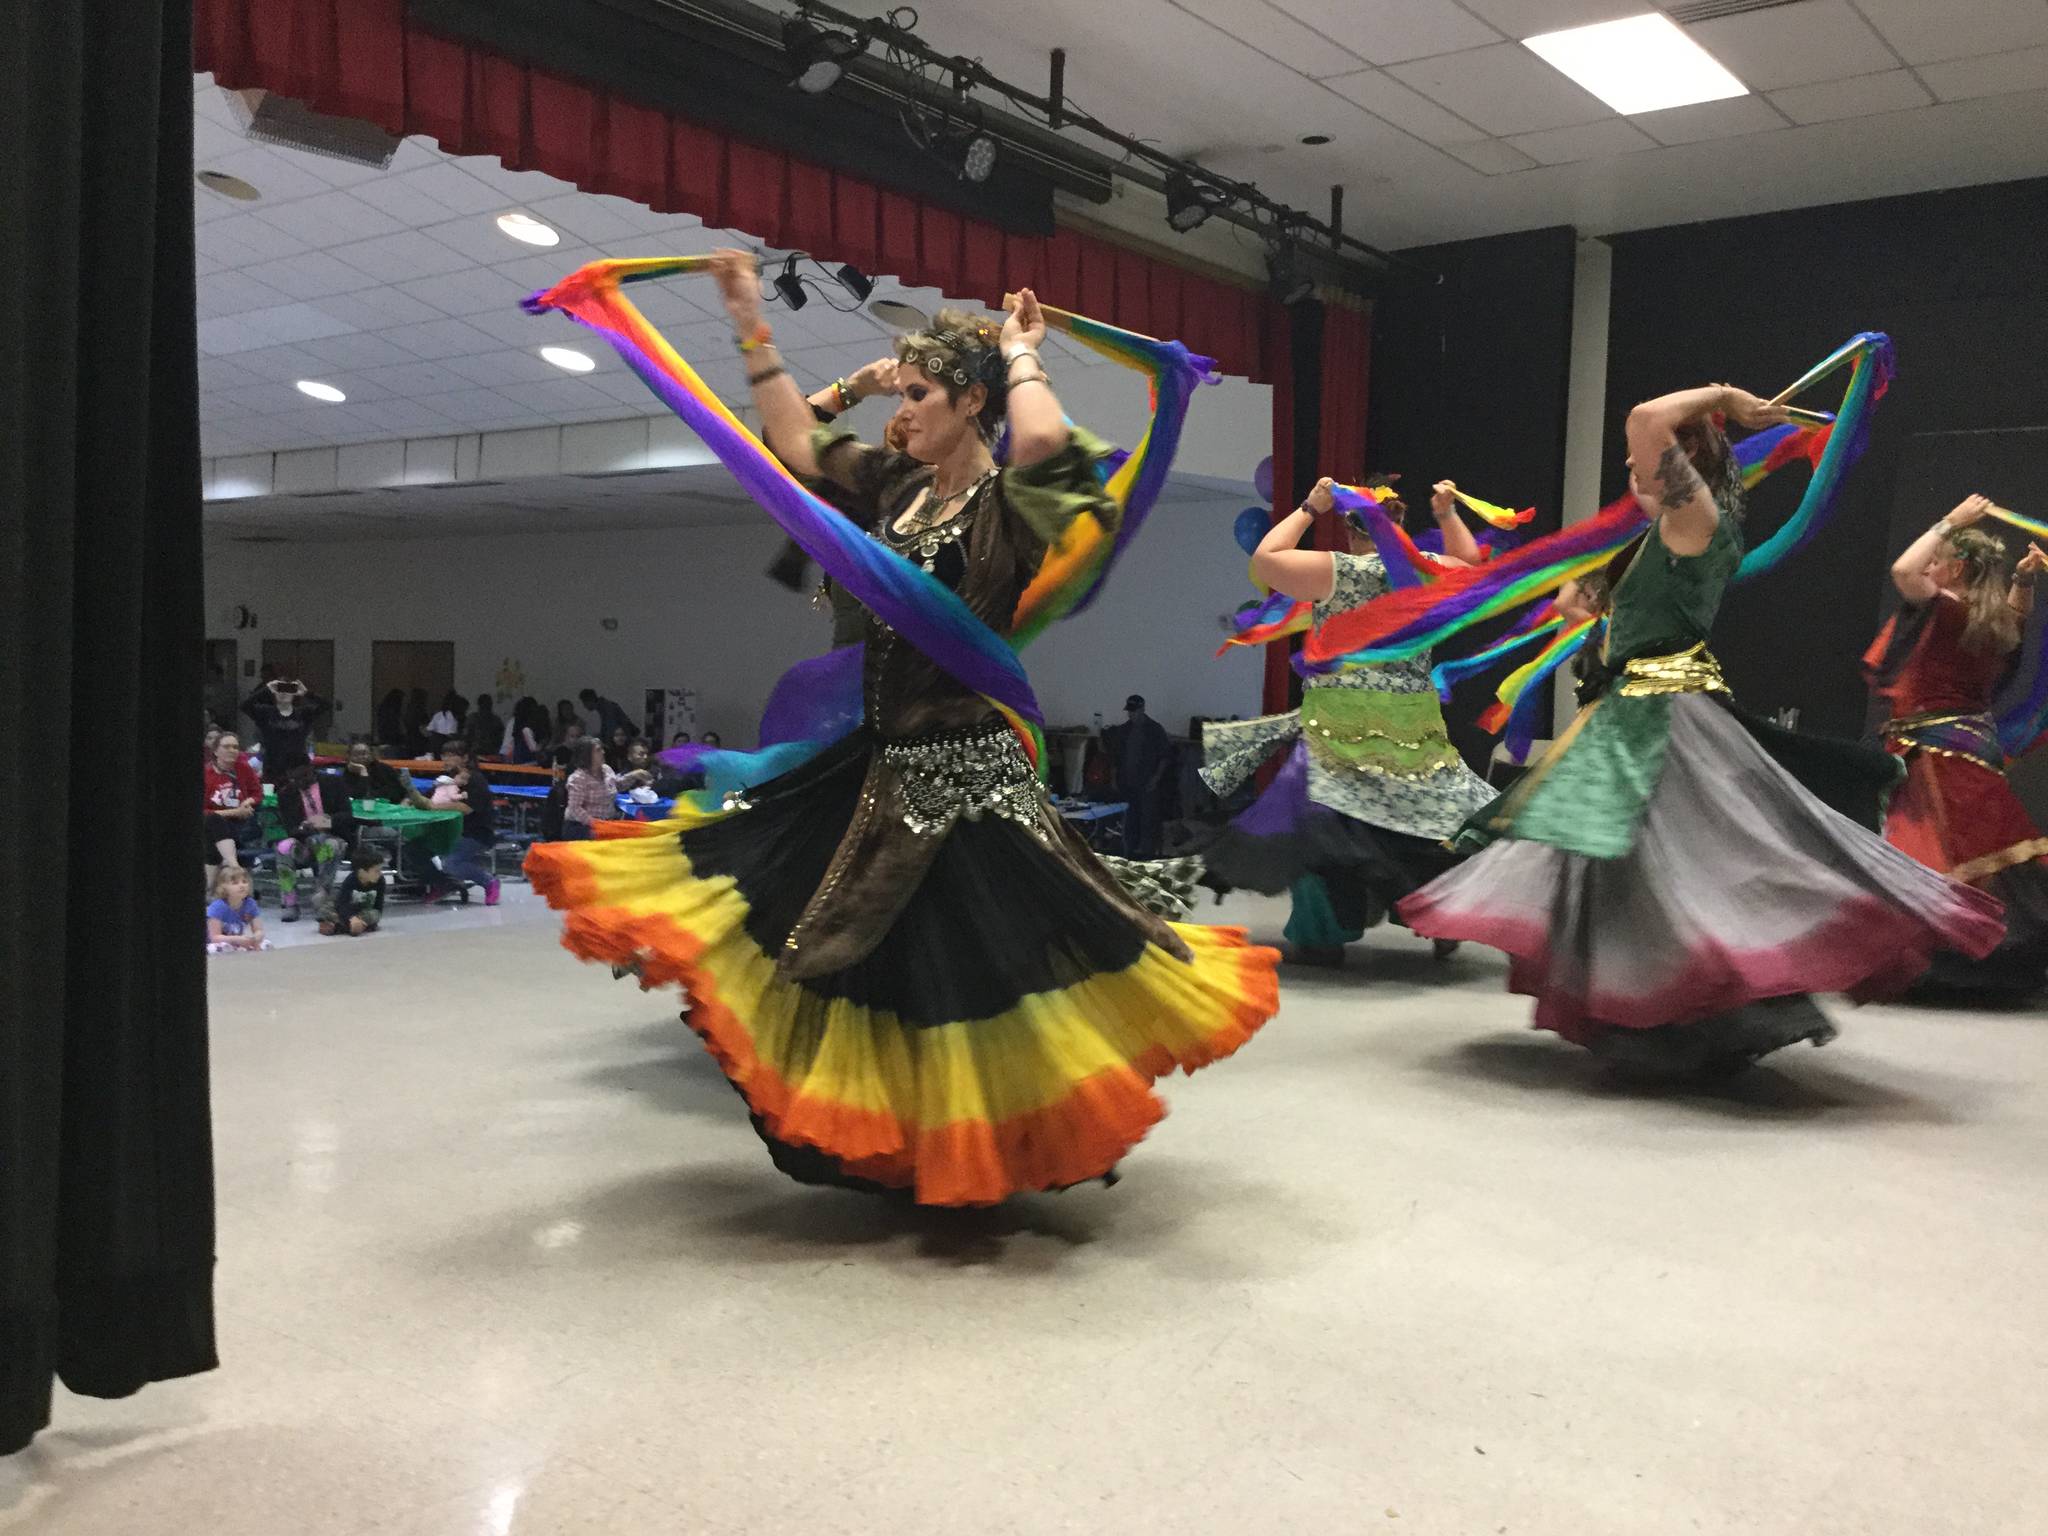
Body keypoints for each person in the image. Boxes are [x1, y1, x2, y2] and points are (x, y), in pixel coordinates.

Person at [528, 249, 1278, 1206]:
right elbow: (794, 447)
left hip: (970, 780)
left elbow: (1044, 442)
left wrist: (1018, 352)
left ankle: (976, 1152)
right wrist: (755, 321)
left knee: (966, 975)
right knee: (847, 959)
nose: (904, 408)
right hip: (878, 765)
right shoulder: (895, 487)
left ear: (972, 402)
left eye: (923, 393)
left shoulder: (1015, 501)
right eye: (904, 392)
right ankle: (899, 1150)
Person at [1398, 381, 2005, 1074]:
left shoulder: (1697, 519)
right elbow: (1583, 604)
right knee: (1633, 867)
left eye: (1642, 464)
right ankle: (1651, 1014)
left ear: (1682, 464)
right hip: (1638, 708)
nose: (1632, 469)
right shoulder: (1665, 532)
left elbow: (1644, 417)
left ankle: (1700, 1011)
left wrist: (1723, 397)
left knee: (1679, 866)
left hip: (1664, 716)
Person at [1201, 477, 1495, 966]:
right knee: (1425, 825)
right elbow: (1474, 570)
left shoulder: (1334, 571)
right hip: (1411, 728)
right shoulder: (1429, 572)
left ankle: (1323, 934)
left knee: (1321, 829)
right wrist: (1446, 514)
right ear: (1400, 524)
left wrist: (1308, 507)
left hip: (1341, 725)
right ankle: (1441, 919)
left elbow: (1266, 559)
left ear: (1350, 529)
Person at [1864, 495, 2048, 998]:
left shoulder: (1947, 610)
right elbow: (2016, 609)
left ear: (1957, 567)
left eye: (1937, 560)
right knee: (1982, 863)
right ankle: (1986, 970)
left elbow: (1903, 570)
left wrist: (1950, 521)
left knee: (1930, 859)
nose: (1928, 564)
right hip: (1973, 754)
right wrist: (2025, 578)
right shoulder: (2000, 621)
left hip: (1936, 758)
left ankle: (1932, 969)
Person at [273, 760, 357, 923]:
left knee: (329, 845)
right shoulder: (286, 793)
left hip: (333, 837)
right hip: (304, 842)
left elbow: (348, 816)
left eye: (303, 775)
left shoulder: (333, 783)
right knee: (283, 847)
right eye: (295, 778)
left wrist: (326, 821)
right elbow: (290, 828)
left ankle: (322, 898)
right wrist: (303, 827)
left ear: (311, 769)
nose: (300, 781)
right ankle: (289, 901)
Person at [422, 740, 500, 905]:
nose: (447, 760)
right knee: (414, 848)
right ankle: (445, 883)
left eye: (452, 756)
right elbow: (428, 797)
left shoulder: (475, 779)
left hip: (475, 833)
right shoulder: (445, 779)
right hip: (447, 831)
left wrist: (434, 807)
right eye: (444, 755)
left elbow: (465, 808)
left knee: (450, 863)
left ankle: (489, 881)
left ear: (465, 758)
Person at [1101, 694, 1174, 859]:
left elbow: (1165, 757)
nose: (1131, 715)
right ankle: (1129, 850)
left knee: (1147, 818)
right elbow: (1116, 757)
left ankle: (1146, 852)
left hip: (1147, 781)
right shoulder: (1124, 730)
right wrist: (1114, 778)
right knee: (1129, 817)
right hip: (1127, 781)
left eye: (1134, 711)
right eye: (1129, 712)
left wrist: (1156, 778)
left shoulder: (1155, 730)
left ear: (1142, 709)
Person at [202, 729, 264, 874]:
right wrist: (235, 812)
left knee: (213, 840)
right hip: (213, 824)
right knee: (214, 822)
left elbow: (257, 793)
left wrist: (248, 801)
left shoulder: (244, 768)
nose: (232, 750)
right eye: (226, 747)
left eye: (235, 747)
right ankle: (233, 866)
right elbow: (202, 812)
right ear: (216, 751)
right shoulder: (206, 774)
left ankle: (214, 887)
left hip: (242, 824)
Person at [242, 675, 326, 775]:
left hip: (300, 770)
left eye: (288, 689)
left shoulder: (304, 713)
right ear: (274, 692)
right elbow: (244, 706)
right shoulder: (265, 712)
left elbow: (326, 705)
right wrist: (266, 689)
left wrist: (307, 693)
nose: (284, 693)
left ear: (293, 693)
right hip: (272, 769)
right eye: (280, 689)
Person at [339, 736, 433, 810]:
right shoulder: (346, 775)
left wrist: (406, 801)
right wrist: (363, 773)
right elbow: (359, 797)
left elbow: (405, 791)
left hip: (394, 811)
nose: (361, 757)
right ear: (349, 756)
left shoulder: (385, 769)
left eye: (364, 753)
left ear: (371, 755)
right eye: (356, 754)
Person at [318, 845, 388, 936]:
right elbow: (342, 904)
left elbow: (378, 908)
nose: (380, 874)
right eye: (376, 871)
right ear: (362, 871)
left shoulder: (380, 882)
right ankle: (352, 927)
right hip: (348, 912)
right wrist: (352, 918)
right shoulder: (350, 880)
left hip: (364, 912)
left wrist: (362, 918)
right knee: (325, 908)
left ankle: (338, 926)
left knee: (375, 915)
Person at [560, 738, 621, 841]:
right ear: (587, 755)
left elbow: (617, 784)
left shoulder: (607, 769)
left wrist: (635, 775)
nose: (603, 752)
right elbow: (575, 808)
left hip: (607, 822)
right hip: (581, 827)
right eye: (598, 750)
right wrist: (596, 824)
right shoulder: (578, 778)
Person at [205, 866, 270, 953]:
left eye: (244, 882)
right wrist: (237, 939)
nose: (242, 885)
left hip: (237, 942)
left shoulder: (250, 904)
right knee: (219, 948)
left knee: (266, 944)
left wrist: (256, 938)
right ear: (223, 887)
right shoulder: (217, 907)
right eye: (235, 883)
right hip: (215, 943)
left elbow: (259, 930)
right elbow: (214, 937)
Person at [508, 697, 549, 763]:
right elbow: (534, 749)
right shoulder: (526, 729)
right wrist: (543, 743)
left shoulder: (519, 727)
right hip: (526, 763)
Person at [468, 691, 504, 762]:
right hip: (476, 753)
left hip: (491, 753)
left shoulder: (496, 720)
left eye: (488, 704)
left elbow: (499, 738)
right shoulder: (473, 718)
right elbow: (467, 736)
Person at [402, 688, 432, 757]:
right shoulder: (420, 711)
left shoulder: (409, 710)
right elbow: (424, 729)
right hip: (419, 742)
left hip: (410, 741)